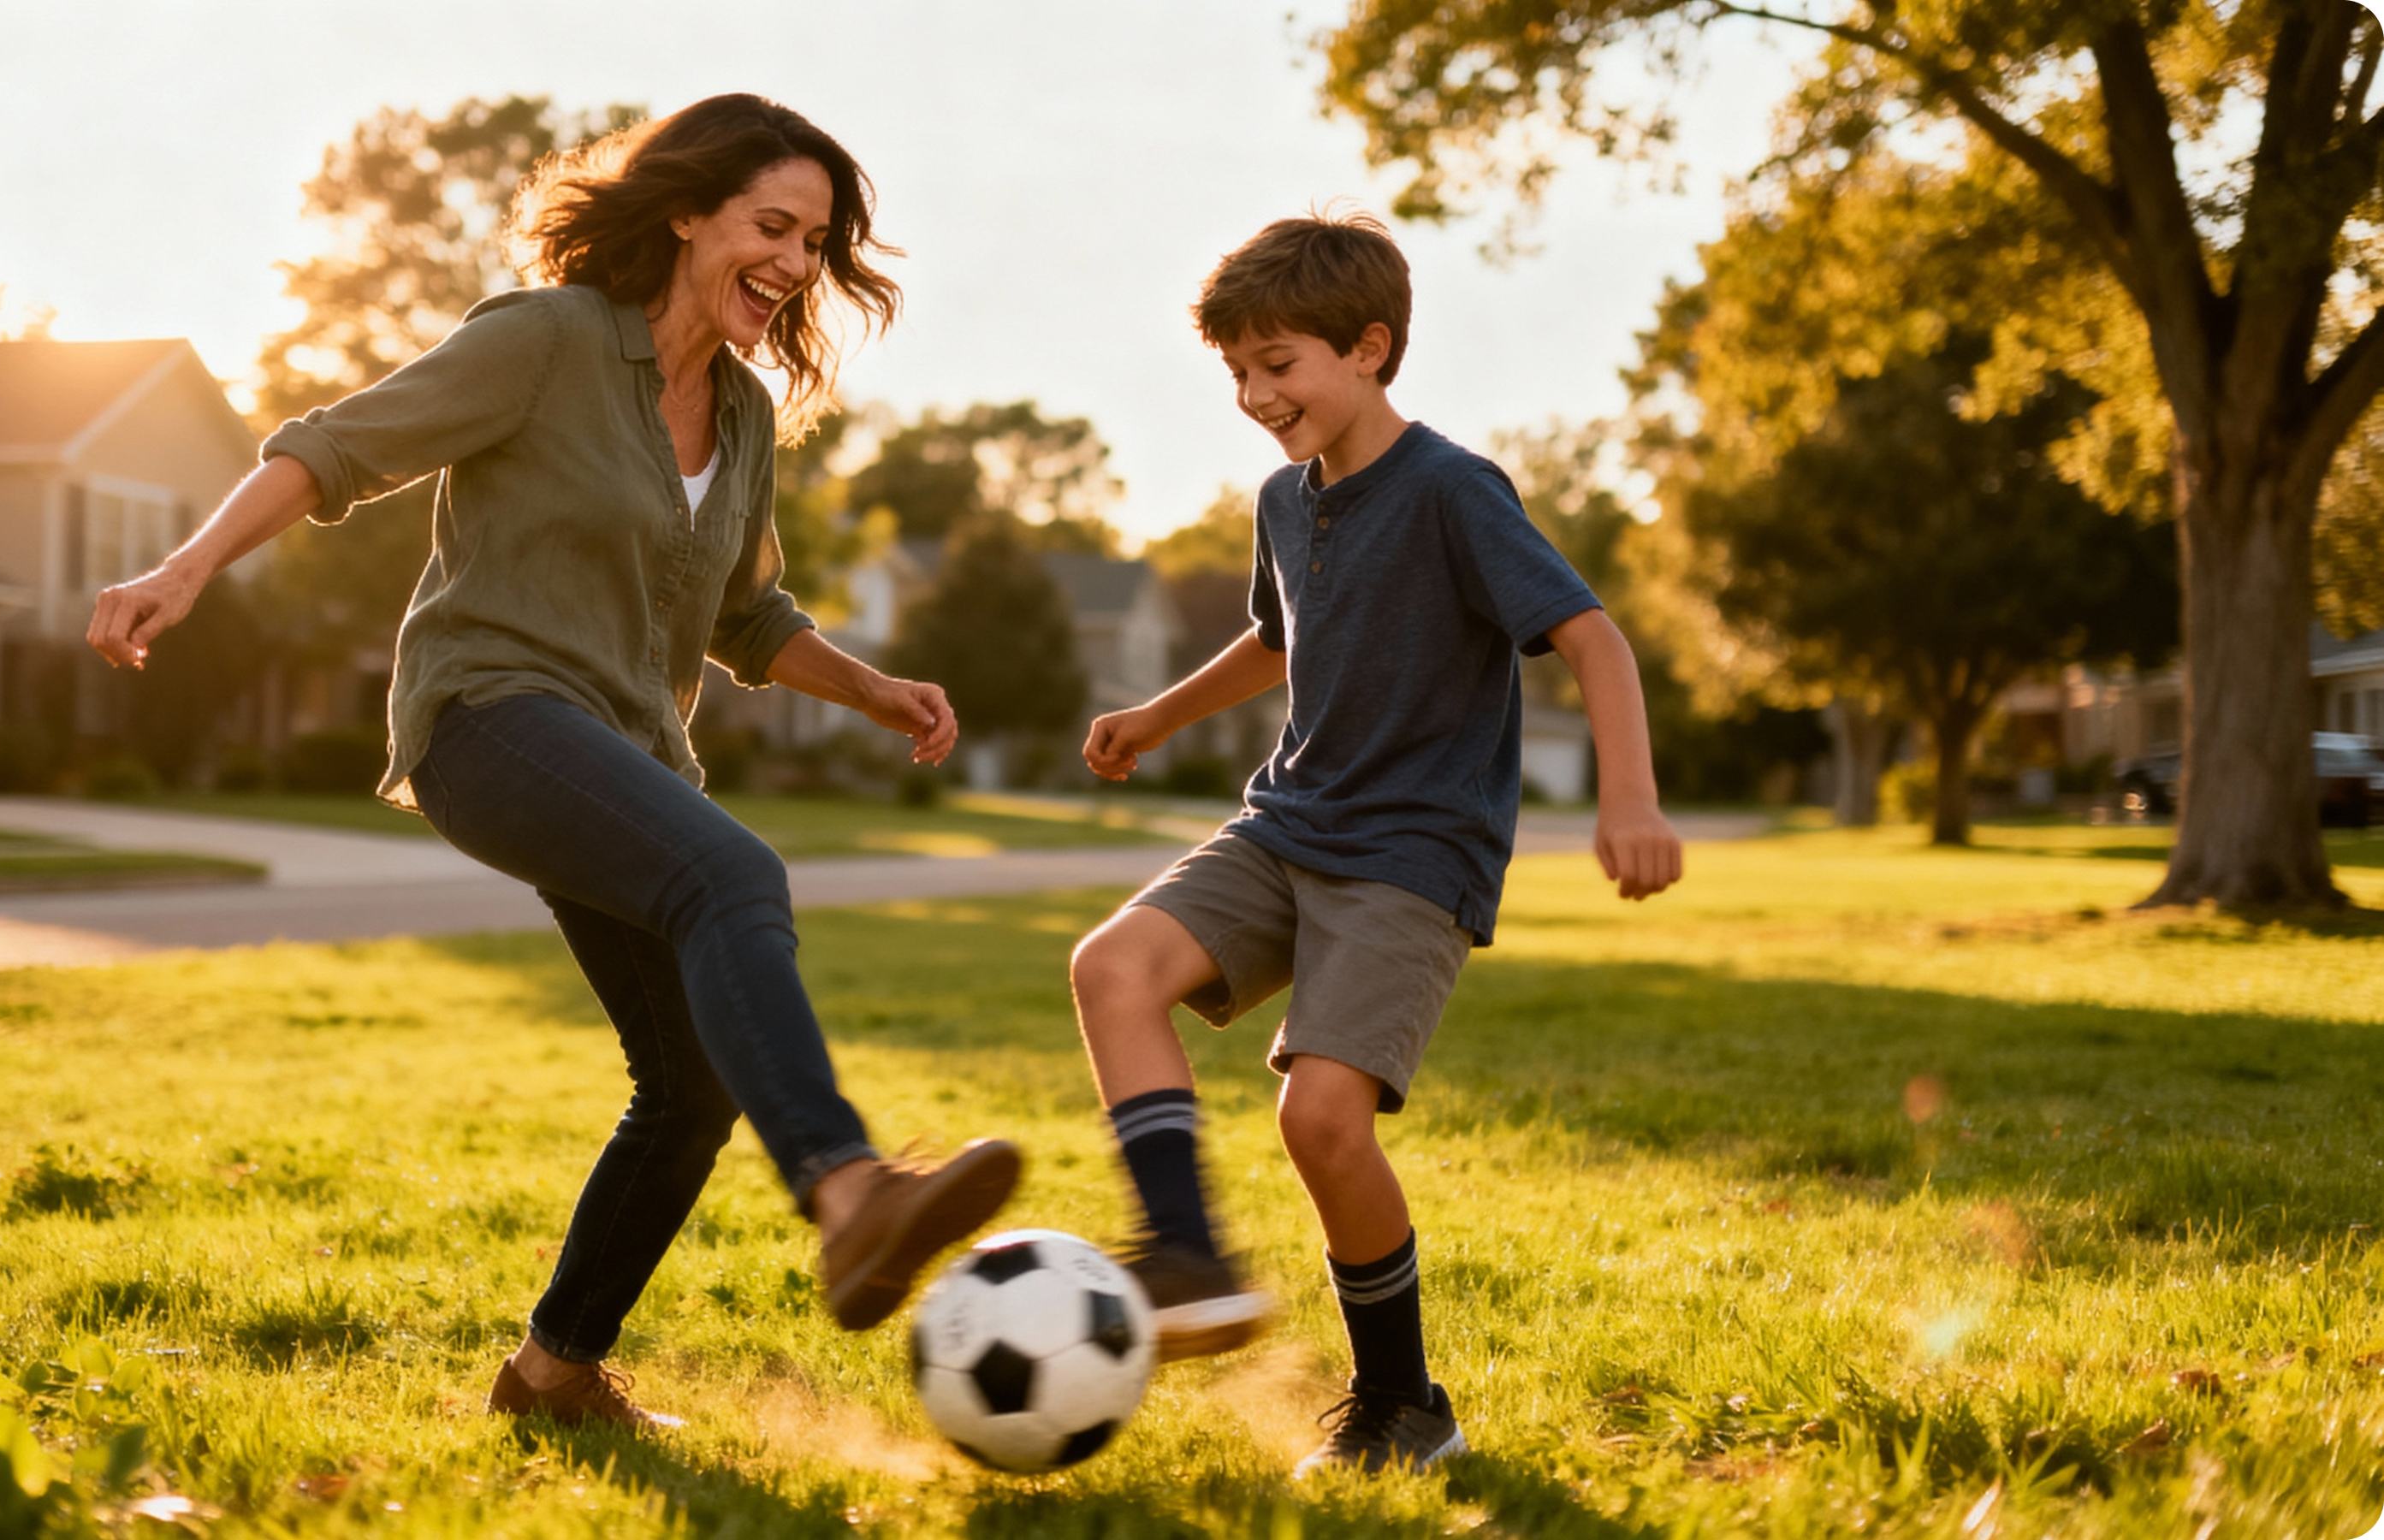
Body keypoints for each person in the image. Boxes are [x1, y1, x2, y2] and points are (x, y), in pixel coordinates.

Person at [86, 94, 1021, 1431]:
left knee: (692, 1079)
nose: (797, 264)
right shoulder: (547, 339)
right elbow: (334, 448)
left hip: (627, 750)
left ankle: (553, 1376)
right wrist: (184, 568)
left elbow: (747, 617)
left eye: (817, 242)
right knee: (733, 877)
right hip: (490, 715)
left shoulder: (744, 419)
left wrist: (868, 687)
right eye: (773, 226)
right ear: (687, 211)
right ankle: (850, 1191)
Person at [1067, 210, 1683, 1476]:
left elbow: (1592, 638)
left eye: (1278, 364)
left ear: (1369, 348)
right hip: (1286, 821)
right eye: (1235, 370)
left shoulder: (1453, 489)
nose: (1253, 394)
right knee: (1109, 969)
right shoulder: (1284, 502)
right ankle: (1184, 1250)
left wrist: (1628, 801)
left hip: (1411, 851)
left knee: (1322, 1123)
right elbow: (1275, 639)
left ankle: (1402, 1404)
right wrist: (1154, 713)